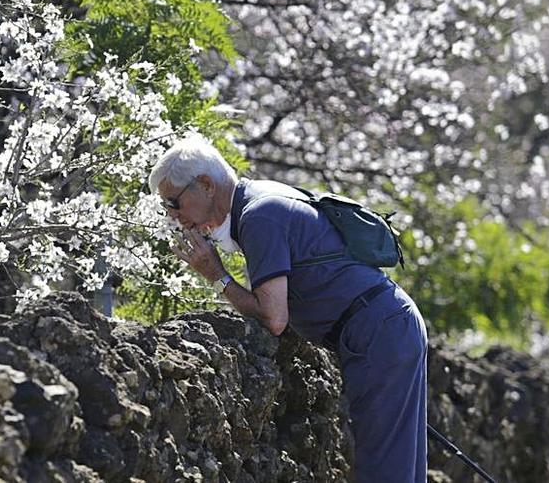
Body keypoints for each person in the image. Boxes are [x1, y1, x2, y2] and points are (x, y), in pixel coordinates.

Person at [148, 134, 428, 483]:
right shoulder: (259, 202)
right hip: (386, 323)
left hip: (377, 329)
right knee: (398, 464)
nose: (174, 216)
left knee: (384, 467)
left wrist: (216, 275)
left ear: (205, 185)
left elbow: (273, 317)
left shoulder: (259, 215)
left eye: (173, 203)